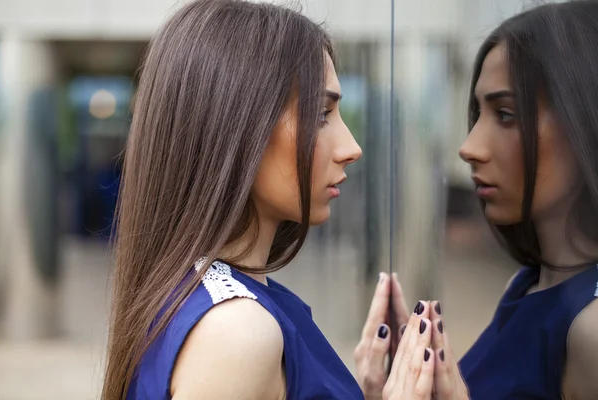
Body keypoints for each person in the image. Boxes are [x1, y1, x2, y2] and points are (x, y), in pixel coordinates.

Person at [101, 1, 436, 399]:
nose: (351, 147)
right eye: (320, 113)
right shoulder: (237, 332)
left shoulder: (204, 295)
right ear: (238, 126)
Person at [362, 2, 598, 399]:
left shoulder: (589, 331)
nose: (470, 147)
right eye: (478, 114)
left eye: (506, 114)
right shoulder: (526, 286)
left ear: (584, 122)